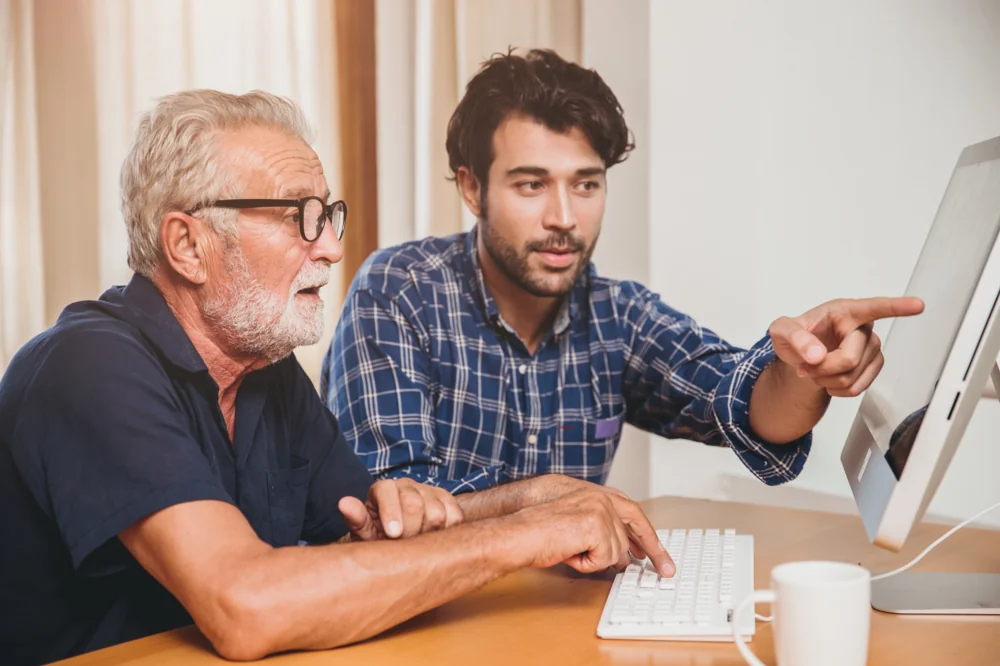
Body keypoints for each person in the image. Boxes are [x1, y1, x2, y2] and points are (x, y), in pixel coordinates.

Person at [0, 89, 673, 666]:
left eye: (328, 214)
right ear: (187, 245)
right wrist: (531, 536)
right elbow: (246, 605)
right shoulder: (87, 365)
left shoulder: (264, 370)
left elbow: (374, 536)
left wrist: (536, 501)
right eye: (300, 217)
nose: (331, 245)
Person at [323, 48, 924, 494]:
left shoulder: (618, 314)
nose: (564, 217)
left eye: (586, 184)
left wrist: (807, 370)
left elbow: (737, 400)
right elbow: (393, 508)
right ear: (473, 188)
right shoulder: (397, 293)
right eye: (531, 185)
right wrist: (548, 506)